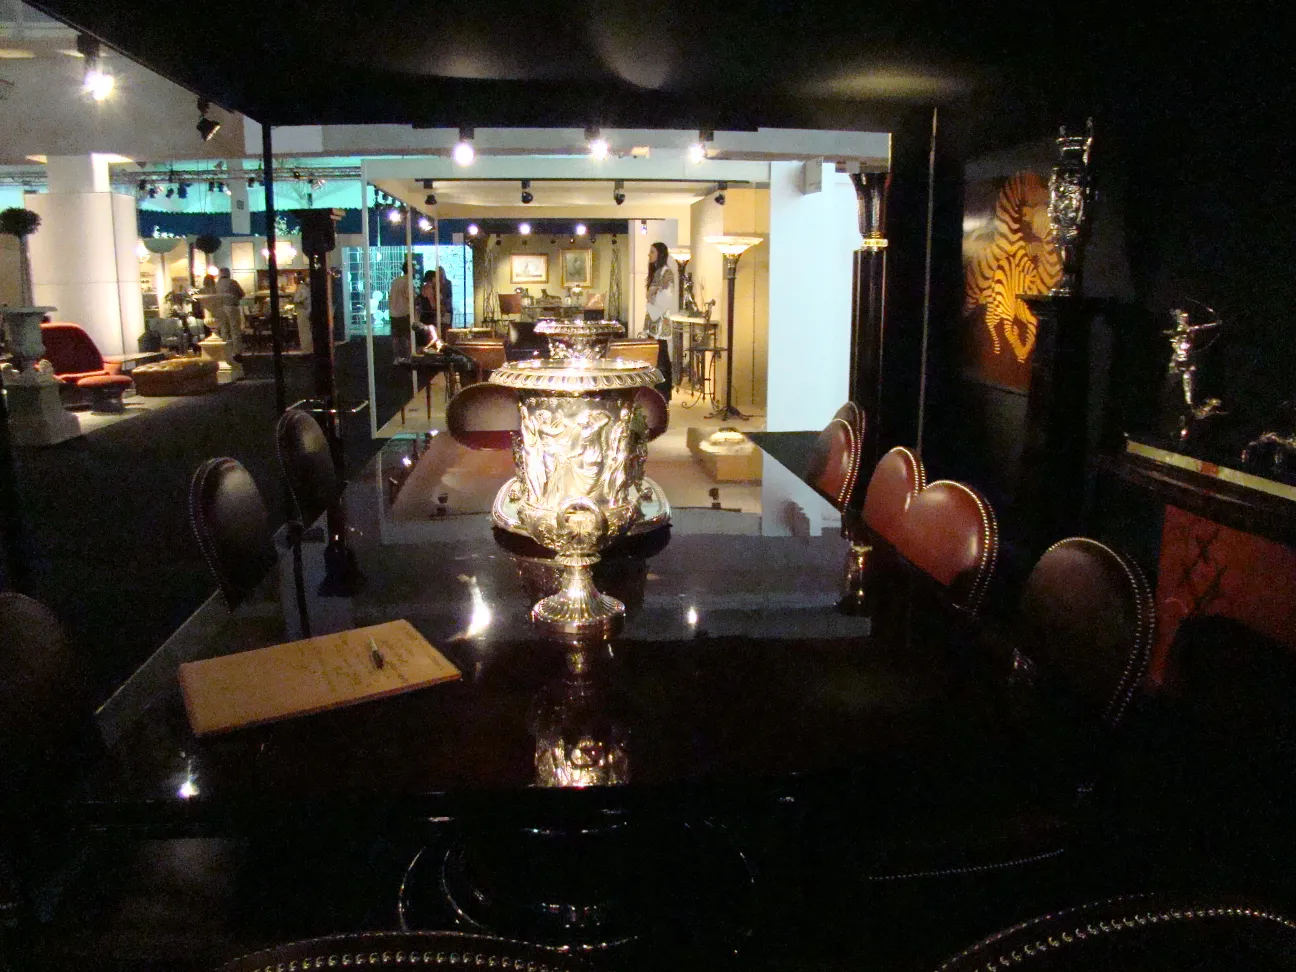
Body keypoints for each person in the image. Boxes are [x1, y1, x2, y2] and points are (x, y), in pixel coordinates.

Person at [643, 241, 676, 401]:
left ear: (660, 254)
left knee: (662, 356)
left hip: (660, 320)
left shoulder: (666, 273)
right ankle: (659, 391)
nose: (649, 255)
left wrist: (651, 295)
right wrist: (651, 295)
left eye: (652, 252)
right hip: (654, 319)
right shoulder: (658, 272)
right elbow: (650, 295)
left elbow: (664, 299)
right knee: (657, 355)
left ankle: (664, 392)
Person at [213, 267, 245, 355]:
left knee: (224, 329)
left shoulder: (217, 284)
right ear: (228, 273)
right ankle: (237, 352)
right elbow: (242, 294)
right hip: (232, 307)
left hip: (220, 308)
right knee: (235, 330)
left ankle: (225, 351)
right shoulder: (233, 282)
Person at [388, 262, 414, 362]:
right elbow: (409, 296)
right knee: (407, 336)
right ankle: (408, 357)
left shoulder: (396, 281)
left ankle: (396, 357)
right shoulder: (408, 281)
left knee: (396, 337)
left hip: (393, 312)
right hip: (404, 312)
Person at [292, 275, 313, 354]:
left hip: (302, 311)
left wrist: (296, 301)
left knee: (304, 331)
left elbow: (298, 299)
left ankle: (306, 350)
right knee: (306, 330)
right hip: (305, 310)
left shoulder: (301, 287)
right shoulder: (305, 287)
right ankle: (308, 349)